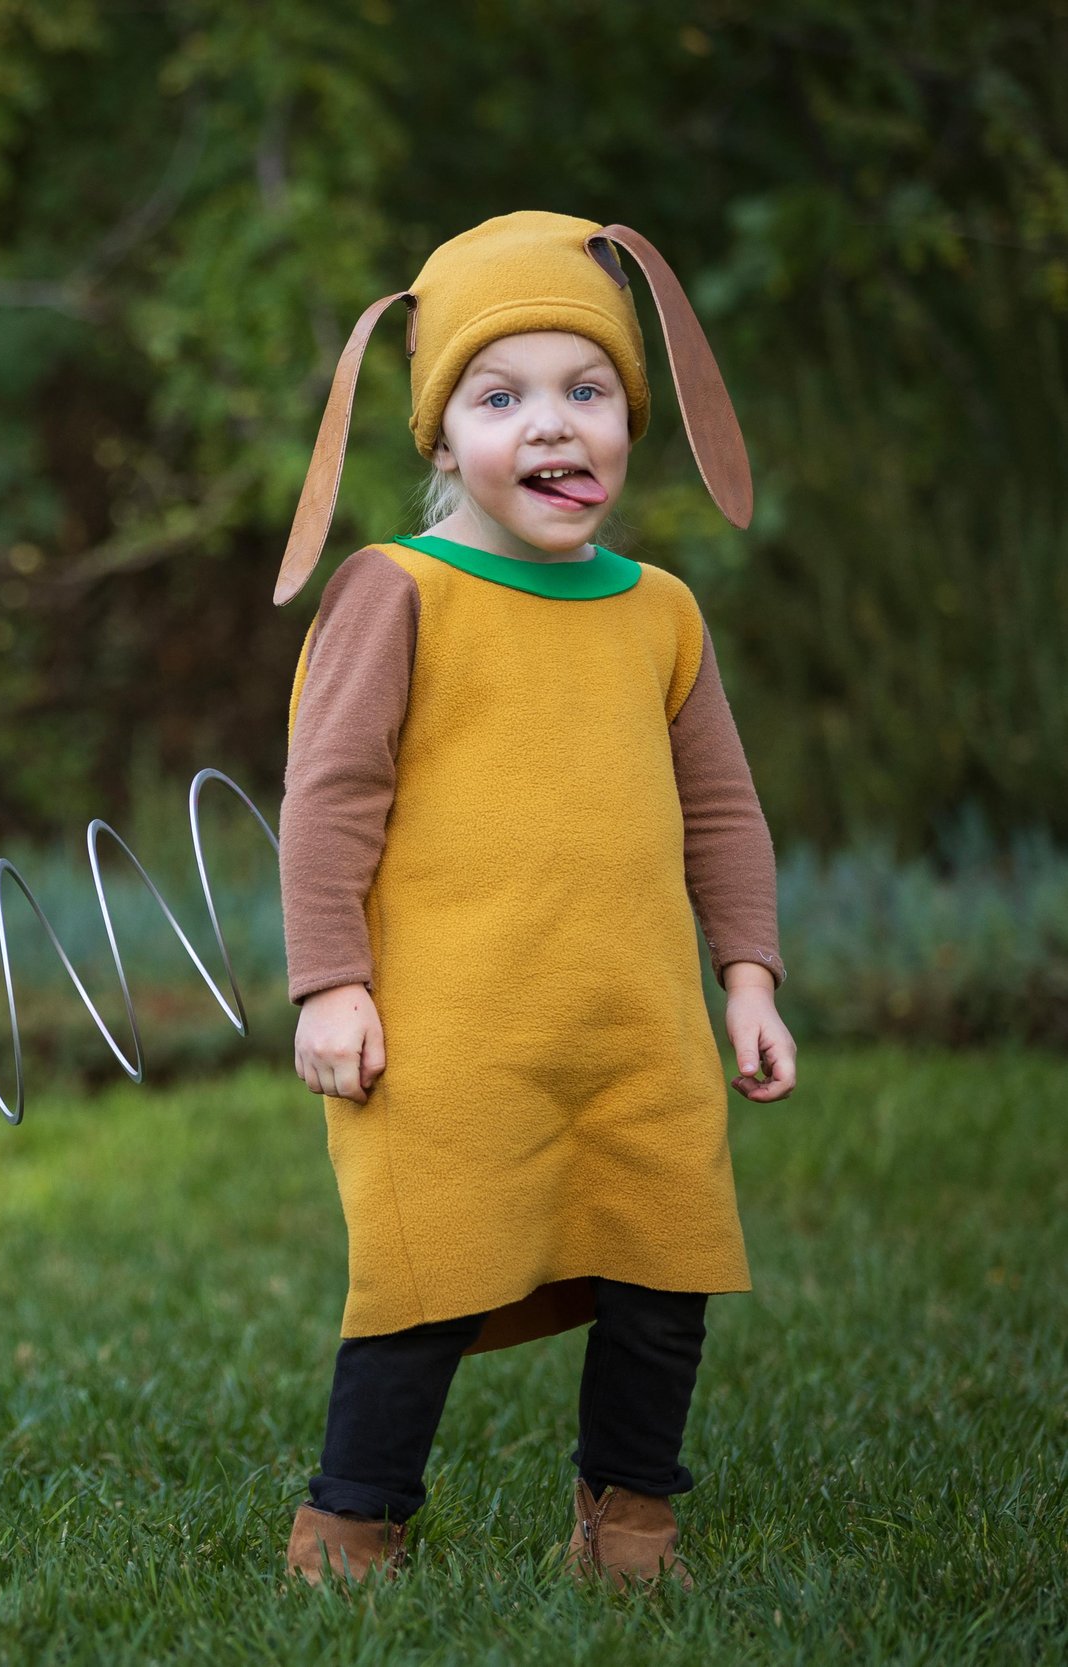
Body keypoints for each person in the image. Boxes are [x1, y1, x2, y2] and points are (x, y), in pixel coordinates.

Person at [271, 212, 798, 1587]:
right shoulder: (401, 592)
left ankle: (629, 1529)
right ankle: (354, 1525)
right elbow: (329, 799)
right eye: (501, 400)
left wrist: (746, 974)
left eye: (589, 392)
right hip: (453, 1036)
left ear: (635, 417)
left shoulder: (659, 612)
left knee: (663, 1275)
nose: (553, 428)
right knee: (424, 1280)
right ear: (443, 442)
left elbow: (722, 810)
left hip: (632, 1030)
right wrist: (331, 983)